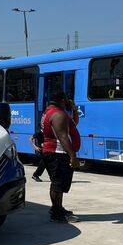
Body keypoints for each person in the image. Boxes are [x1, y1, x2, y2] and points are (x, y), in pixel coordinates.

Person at [40, 90, 81, 223]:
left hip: (54, 152)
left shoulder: (50, 111)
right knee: (57, 185)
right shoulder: (58, 114)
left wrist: (73, 110)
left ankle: (58, 208)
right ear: (62, 100)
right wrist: (73, 156)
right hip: (57, 153)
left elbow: (72, 125)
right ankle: (57, 214)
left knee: (59, 185)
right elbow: (63, 136)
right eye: (67, 99)